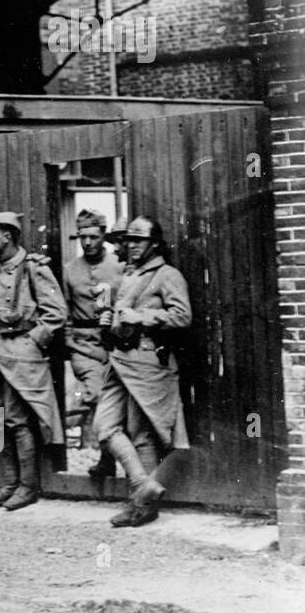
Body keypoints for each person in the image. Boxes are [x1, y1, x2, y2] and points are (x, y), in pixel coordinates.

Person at [97, 215, 192, 528]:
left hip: (147, 362)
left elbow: (182, 317)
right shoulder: (128, 273)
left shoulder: (167, 274)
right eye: (129, 239)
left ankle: (142, 508)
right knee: (105, 427)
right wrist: (109, 318)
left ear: (154, 243)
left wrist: (141, 316)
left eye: (139, 240)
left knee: (141, 435)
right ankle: (142, 484)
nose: (132, 245)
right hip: (119, 360)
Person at [0, 210, 68, 511]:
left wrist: (31, 341)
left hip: (21, 358)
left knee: (18, 420)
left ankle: (28, 487)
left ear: (8, 237)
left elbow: (56, 313)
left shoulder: (33, 268)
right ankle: (9, 483)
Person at [63, 209, 125, 480]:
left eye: (93, 236)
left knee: (117, 401)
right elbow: (63, 309)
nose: (87, 242)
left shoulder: (118, 266)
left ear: (103, 236)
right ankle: (106, 458)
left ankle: (107, 459)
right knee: (98, 393)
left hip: (113, 343)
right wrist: (69, 341)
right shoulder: (70, 270)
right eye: (82, 237)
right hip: (83, 346)